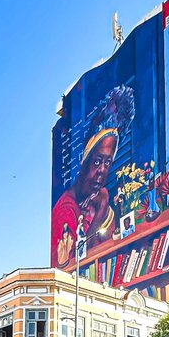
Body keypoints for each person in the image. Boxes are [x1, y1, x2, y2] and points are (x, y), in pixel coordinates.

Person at [51, 85, 135, 267]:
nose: (102, 171)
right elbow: (76, 269)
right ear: (85, 161)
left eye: (108, 163)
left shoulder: (98, 196)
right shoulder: (66, 211)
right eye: (97, 162)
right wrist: (102, 210)